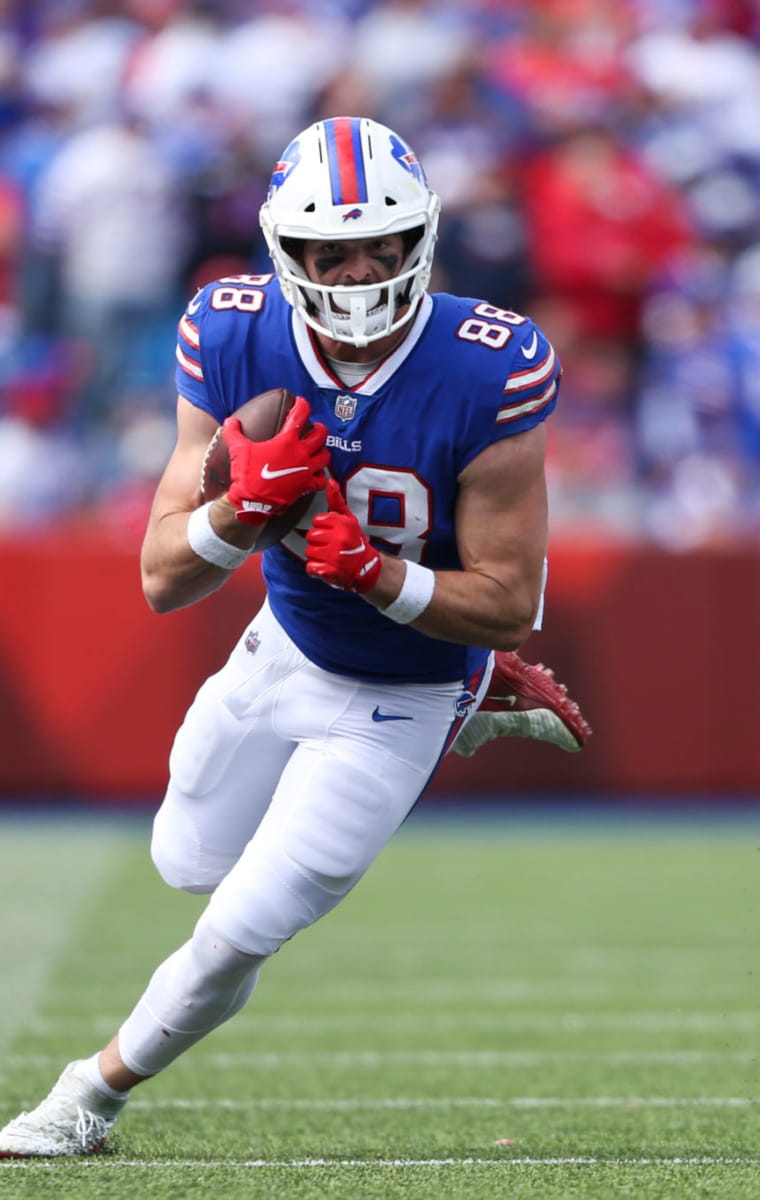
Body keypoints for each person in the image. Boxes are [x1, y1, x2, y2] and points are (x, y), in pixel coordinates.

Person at [0, 115, 590, 1158]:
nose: (362, 270)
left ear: (424, 239)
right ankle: (481, 690)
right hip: (282, 649)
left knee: (237, 931)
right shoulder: (231, 332)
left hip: (397, 701)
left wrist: (369, 570)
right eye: (333, 249)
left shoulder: (488, 365)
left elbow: (505, 597)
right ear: (287, 250)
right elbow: (161, 579)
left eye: (384, 244)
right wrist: (236, 514)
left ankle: (82, 1100)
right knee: (185, 860)